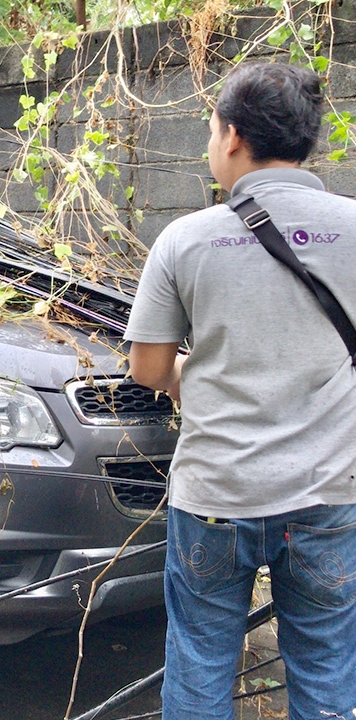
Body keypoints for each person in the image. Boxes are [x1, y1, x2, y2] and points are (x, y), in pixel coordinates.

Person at [125, 61, 356, 720]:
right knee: (326, 671)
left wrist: (184, 379)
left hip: (215, 499)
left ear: (229, 137)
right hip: (329, 497)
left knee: (199, 664)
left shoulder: (185, 239)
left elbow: (147, 369)